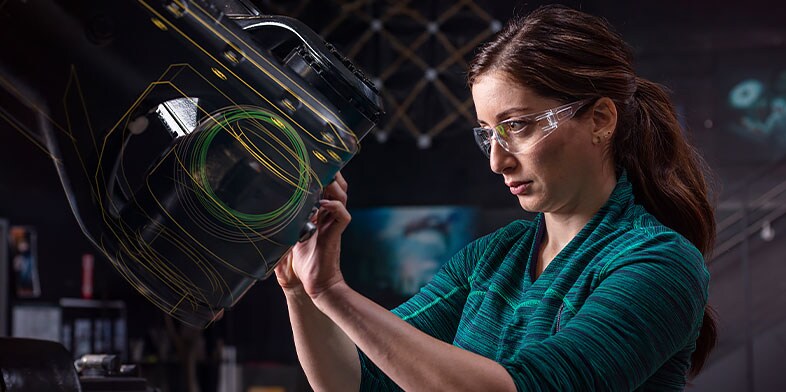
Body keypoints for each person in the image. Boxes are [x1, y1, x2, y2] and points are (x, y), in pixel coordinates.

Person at [273, 4, 717, 391]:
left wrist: (333, 291)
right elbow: (359, 379)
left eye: (518, 126)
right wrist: (302, 289)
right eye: (488, 135)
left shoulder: (659, 263)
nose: (497, 161)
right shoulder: (491, 259)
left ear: (600, 119)